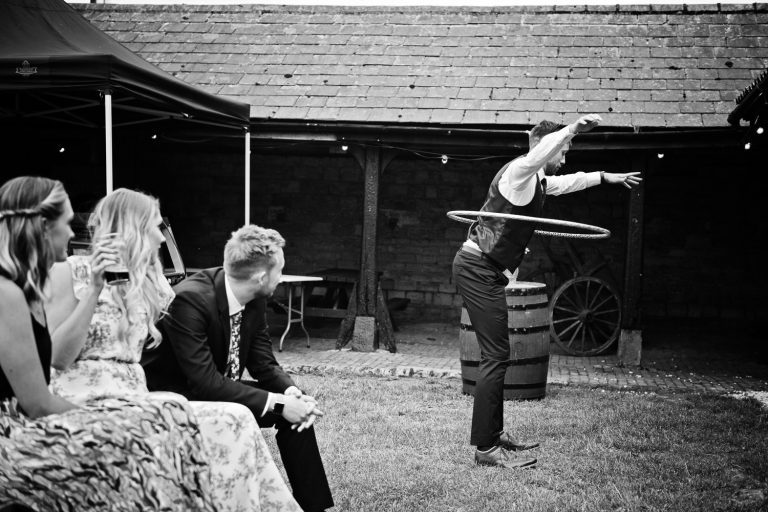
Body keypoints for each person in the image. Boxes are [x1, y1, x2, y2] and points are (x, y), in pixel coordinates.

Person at [46, 189, 301, 512]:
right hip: (84, 395)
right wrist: (95, 287)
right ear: (134, 230)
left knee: (237, 417)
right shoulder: (69, 272)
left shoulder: (152, 285)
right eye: (155, 227)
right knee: (223, 417)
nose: (161, 238)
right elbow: (57, 356)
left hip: (135, 397)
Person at [0, 177, 214, 511]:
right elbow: (38, 402)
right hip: (13, 436)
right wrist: (115, 419)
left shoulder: (24, 289)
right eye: (68, 223)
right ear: (43, 227)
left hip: (33, 421)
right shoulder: (6, 293)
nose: (75, 235)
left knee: (170, 414)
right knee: (146, 433)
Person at [452, 114, 642, 469]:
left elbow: (568, 182)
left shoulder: (537, 182)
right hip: (477, 269)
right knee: (496, 355)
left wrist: (604, 177)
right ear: (545, 145)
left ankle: (494, 436)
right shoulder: (520, 173)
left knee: (498, 354)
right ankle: (485, 449)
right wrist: (571, 130)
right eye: (564, 149)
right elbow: (542, 155)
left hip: (488, 273)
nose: (564, 157)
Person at [143, 224, 334, 512]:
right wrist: (279, 404)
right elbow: (204, 381)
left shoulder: (254, 299)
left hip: (213, 390)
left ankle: (314, 508)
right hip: (172, 398)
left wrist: (291, 392)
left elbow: (263, 363)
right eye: (279, 271)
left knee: (296, 414)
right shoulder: (190, 300)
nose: (281, 278)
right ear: (260, 277)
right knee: (280, 408)